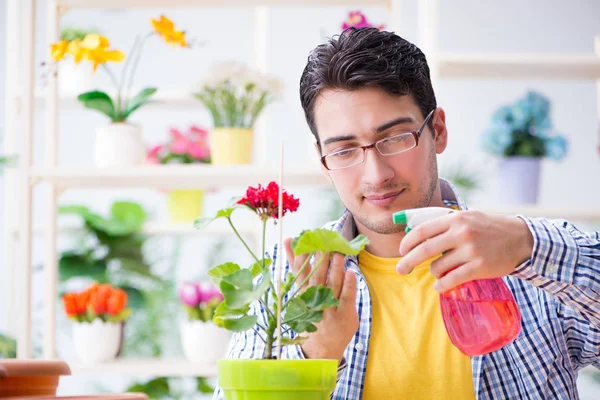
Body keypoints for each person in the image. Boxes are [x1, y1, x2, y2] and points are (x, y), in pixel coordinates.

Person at [213, 28, 600, 399]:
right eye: (345, 150)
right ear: (322, 159)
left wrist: (527, 244)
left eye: (396, 138)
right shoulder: (285, 279)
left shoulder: (526, 258)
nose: (376, 175)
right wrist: (314, 359)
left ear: (439, 131)